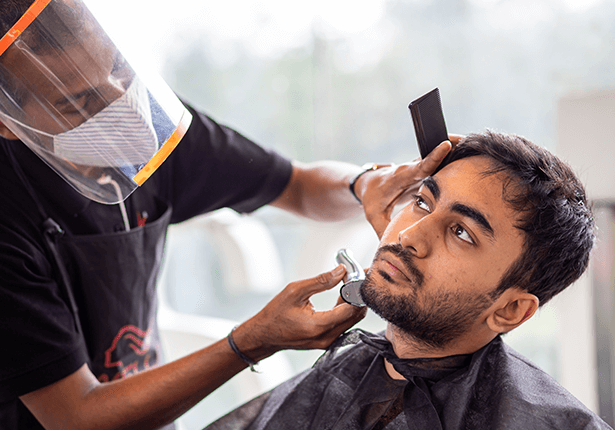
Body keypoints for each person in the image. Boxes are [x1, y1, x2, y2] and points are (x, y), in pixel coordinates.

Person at [0, 1, 456, 429]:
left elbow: (297, 186)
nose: (119, 108)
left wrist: (361, 183)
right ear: (10, 121)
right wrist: (251, 341)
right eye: (77, 103)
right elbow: (75, 417)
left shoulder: (149, 132)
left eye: (120, 71)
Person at [205, 130, 613, 430]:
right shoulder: (339, 376)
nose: (408, 236)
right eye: (422, 202)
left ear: (510, 310)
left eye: (461, 233)